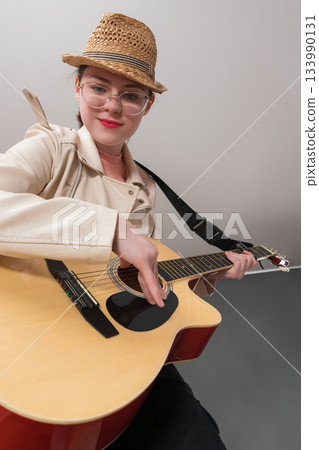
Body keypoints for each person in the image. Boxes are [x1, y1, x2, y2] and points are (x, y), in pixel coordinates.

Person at [0, 12, 257, 449]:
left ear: (147, 105)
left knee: (201, 439)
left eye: (131, 95)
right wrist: (113, 230)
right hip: (31, 337)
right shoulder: (50, 147)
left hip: (118, 351)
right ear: (78, 87)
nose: (113, 106)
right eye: (99, 87)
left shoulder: (147, 188)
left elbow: (133, 284)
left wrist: (207, 273)